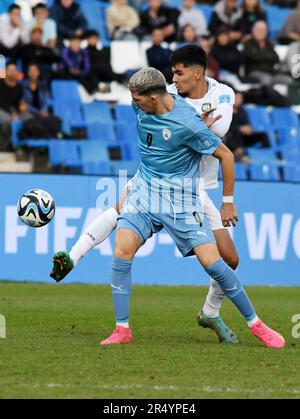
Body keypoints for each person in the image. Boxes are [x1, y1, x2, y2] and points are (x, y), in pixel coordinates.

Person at [51, 46, 242, 345]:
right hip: (159, 177)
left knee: (229, 259)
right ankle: (73, 257)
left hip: (199, 187)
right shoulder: (165, 92)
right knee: (118, 210)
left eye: (179, 72)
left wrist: (187, 122)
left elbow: (220, 128)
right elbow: (161, 115)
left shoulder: (222, 93)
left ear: (198, 73)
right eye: (172, 72)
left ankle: (210, 312)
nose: (173, 79)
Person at [99, 68, 284, 348]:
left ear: (154, 97)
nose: (133, 104)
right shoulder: (142, 109)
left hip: (182, 201)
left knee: (215, 264)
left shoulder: (188, 123)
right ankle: (122, 329)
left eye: (137, 99)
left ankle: (255, 323)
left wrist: (228, 201)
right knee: (121, 251)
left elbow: (227, 156)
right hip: (145, 195)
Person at [0, 61, 31, 150]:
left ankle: (23, 146)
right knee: (9, 121)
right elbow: (1, 103)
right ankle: (6, 146)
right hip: (2, 109)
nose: (12, 72)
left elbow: (18, 103)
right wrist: (12, 114)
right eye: (9, 70)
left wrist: (21, 108)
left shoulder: (19, 87)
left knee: (28, 117)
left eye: (14, 70)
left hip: (13, 110)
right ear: (5, 71)